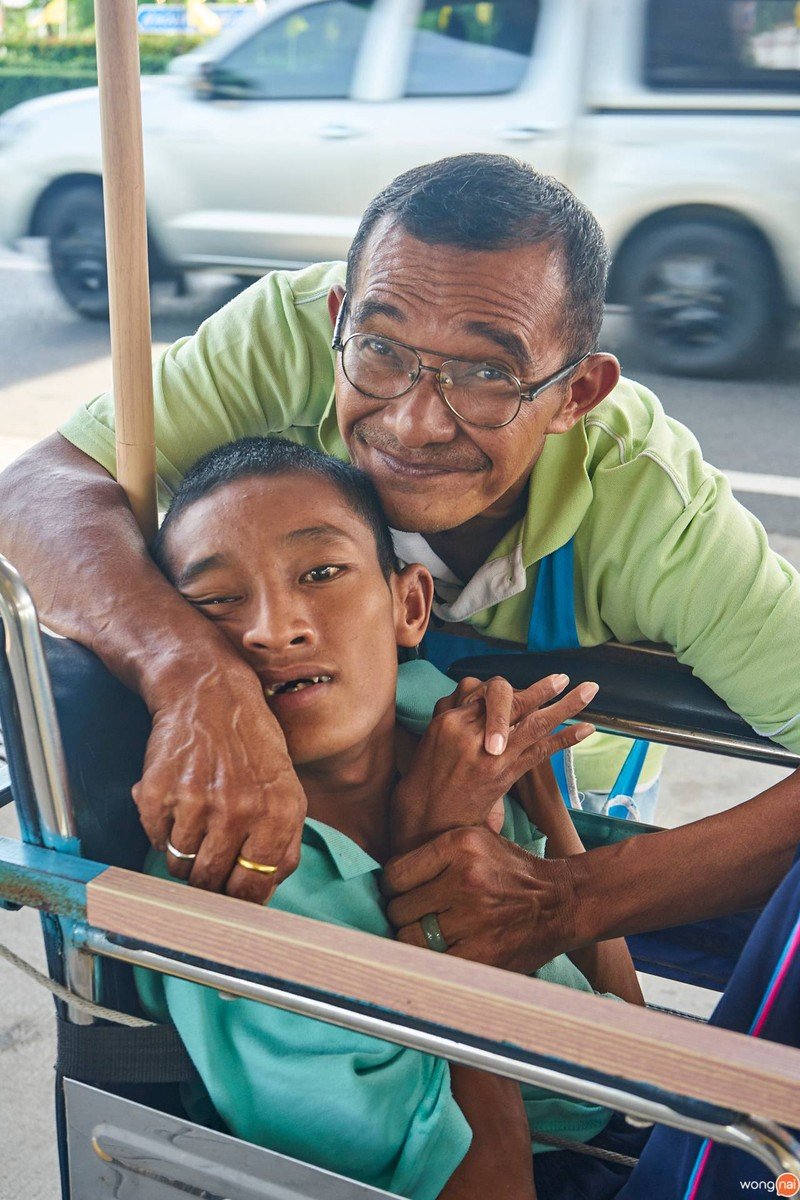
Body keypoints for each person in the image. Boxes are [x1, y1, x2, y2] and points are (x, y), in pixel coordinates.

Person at [0, 153, 798, 952]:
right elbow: (35, 496)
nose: (415, 423)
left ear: (577, 394)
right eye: (381, 351)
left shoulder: (651, 506)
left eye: (490, 373)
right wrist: (190, 679)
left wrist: (570, 899)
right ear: (339, 319)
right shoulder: (286, 335)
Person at [140, 436, 800, 1200]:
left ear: (410, 605)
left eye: (321, 573)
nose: (273, 628)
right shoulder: (240, 883)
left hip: (622, 1124)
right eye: (218, 600)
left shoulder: (445, 730)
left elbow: (617, 1028)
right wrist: (440, 856)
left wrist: (547, 811)